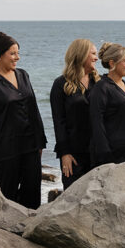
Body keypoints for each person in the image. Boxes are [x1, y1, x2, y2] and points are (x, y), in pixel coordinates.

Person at [0, 31, 47, 208]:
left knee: (32, 195)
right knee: (7, 199)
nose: (17, 58)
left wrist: (40, 142)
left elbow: (33, 110)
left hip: (30, 146)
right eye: (12, 53)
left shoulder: (23, 75)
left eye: (18, 53)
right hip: (6, 149)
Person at [49, 38, 99, 190]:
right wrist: (64, 154)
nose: (97, 58)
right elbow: (59, 121)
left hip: (97, 153)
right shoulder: (60, 84)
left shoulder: (100, 82)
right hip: (74, 155)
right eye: (93, 53)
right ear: (81, 55)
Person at [89, 42, 125, 166]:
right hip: (113, 158)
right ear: (112, 63)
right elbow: (97, 125)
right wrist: (106, 158)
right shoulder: (101, 88)